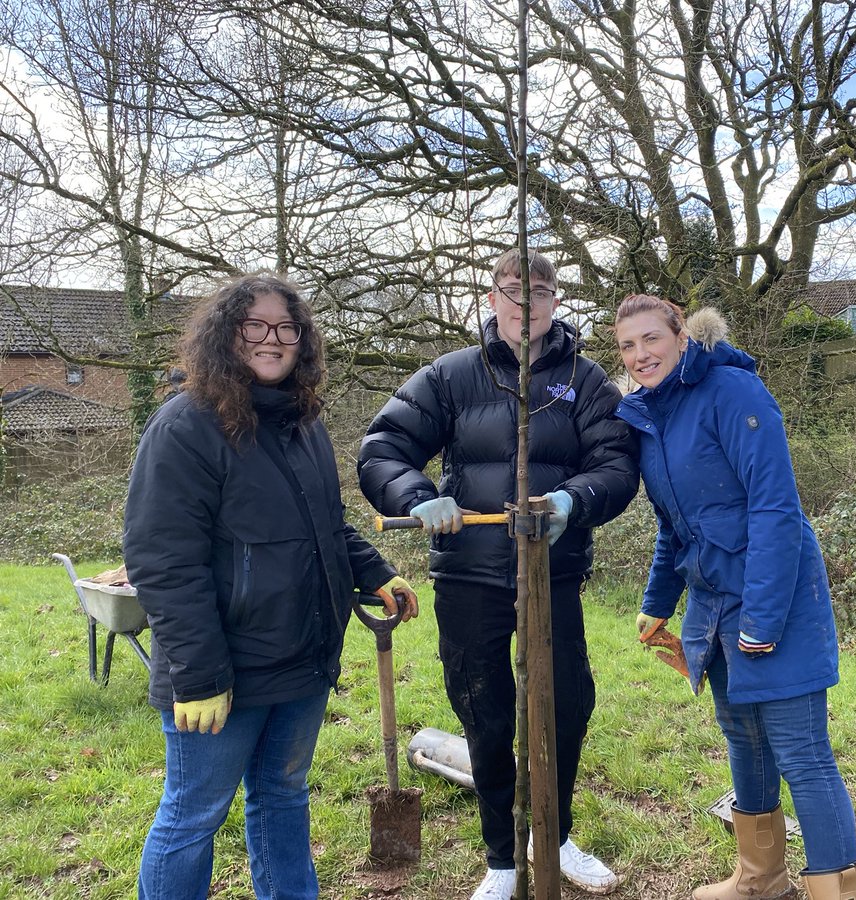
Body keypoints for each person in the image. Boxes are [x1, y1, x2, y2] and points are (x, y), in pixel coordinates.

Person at [124, 272, 417, 900]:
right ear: (225, 335)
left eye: (286, 328)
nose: (272, 339)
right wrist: (199, 676)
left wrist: (374, 571)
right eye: (253, 326)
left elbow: (325, 525)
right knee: (193, 815)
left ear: (302, 341)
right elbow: (163, 562)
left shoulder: (302, 423)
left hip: (302, 658)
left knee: (283, 794)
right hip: (223, 669)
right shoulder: (185, 426)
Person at [358, 249, 638, 900]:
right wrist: (414, 497)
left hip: (552, 574)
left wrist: (573, 500)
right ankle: (502, 858)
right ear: (492, 299)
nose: (525, 303)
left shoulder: (585, 379)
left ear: (555, 302)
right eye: (514, 291)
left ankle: (553, 838)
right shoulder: (452, 375)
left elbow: (618, 465)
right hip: (469, 576)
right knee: (483, 709)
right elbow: (383, 448)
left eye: (539, 292)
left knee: (564, 706)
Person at [613, 296, 856, 900]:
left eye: (651, 338)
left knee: (801, 750)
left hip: (777, 596)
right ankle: (761, 878)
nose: (641, 354)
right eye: (627, 345)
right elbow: (674, 526)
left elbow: (776, 508)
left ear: (681, 336)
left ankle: (838, 890)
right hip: (712, 606)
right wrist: (658, 601)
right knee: (744, 738)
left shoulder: (733, 392)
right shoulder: (649, 417)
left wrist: (763, 618)